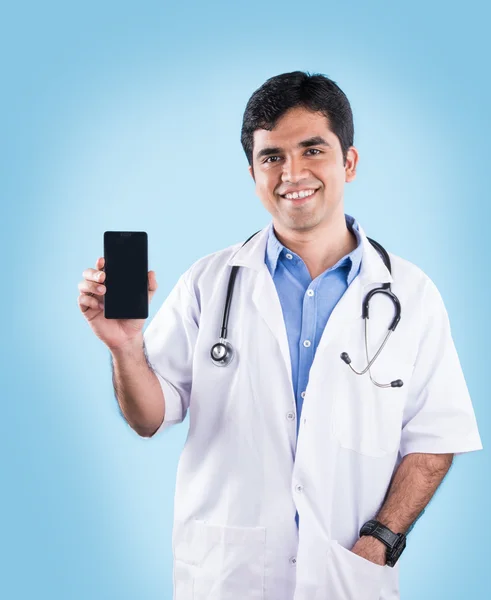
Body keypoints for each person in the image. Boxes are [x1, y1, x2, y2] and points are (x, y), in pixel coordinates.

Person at [77, 71, 483, 600]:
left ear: (349, 163)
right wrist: (126, 346)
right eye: (272, 157)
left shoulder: (411, 294)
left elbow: (434, 443)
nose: (292, 172)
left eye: (312, 149)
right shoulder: (210, 282)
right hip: (226, 577)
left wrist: (380, 542)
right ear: (253, 172)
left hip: (347, 578)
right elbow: (149, 418)